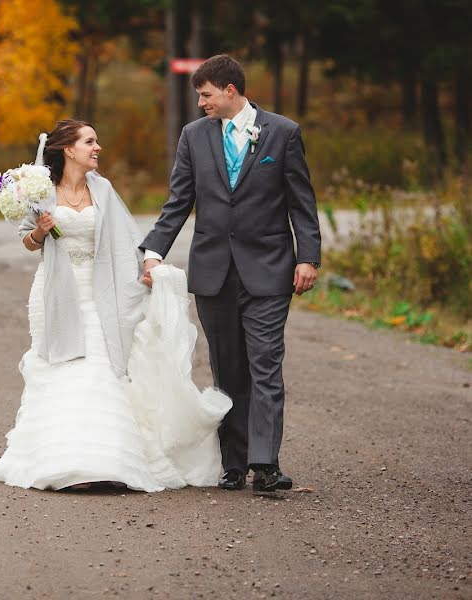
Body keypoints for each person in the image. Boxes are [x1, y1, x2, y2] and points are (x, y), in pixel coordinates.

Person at [0, 119, 231, 492]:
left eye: (96, 141)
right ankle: (63, 460)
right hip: (56, 291)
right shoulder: (39, 190)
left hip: (101, 293)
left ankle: (105, 462)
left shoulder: (103, 190)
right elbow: (29, 242)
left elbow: (126, 240)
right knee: (62, 366)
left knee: (100, 367)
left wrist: (147, 268)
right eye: (89, 142)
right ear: (69, 149)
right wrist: (40, 229)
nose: (97, 148)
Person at [140, 55, 322, 493]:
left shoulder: (283, 132)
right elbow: (178, 201)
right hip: (214, 272)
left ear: (229, 90)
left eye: (205, 95)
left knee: (265, 366)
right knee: (228, 371)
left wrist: (308, 257)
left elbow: (301, 201)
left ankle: (266, 465)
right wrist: (152, 252)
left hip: (270, 270)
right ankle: (234, 464)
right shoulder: (193, 136)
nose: (200, 103)